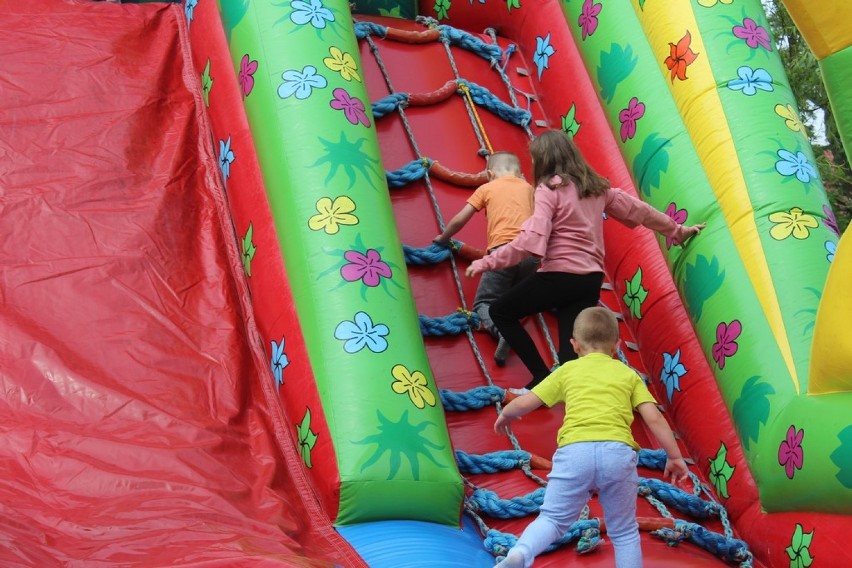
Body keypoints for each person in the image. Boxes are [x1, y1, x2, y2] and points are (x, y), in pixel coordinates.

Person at [466, 130, 704, 390]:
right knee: (570, 357)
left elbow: (532, 238)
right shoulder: (597, 188)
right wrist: (678, 231)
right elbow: (640, 211)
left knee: (502, 311)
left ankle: (540, 376)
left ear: (544, 159)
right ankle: (570, 397)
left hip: (559, 275)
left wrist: (488, 262)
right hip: (590, 280)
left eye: (534, 159)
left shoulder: (549, 188)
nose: (533, 165)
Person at [493, 306, 689, 568]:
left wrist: (506, 414)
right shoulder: (628, 375)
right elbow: (654, 418)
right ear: (617, 345)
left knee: (552, 519)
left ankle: (520, 554)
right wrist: (674, 457)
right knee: (624, 531)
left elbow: (527, 402)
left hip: (575, 453)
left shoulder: (567, 371)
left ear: (574, 345)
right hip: (617, 454)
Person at [434, 151, 539, 366]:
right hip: (532, 256)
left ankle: (502, 331)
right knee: (515, 297)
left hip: (503, 252)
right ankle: (513, 318)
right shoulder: (529, 189)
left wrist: (443, 238)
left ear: (490, 174)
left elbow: (460, 219)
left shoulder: (487, 188)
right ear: (520, 174)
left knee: (484, 303)